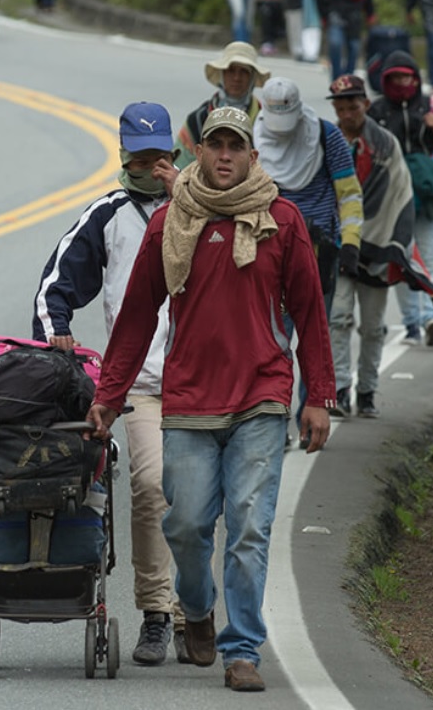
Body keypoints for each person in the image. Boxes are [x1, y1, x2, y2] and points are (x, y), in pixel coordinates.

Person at [85, 105, 334, 693]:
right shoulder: (172, 220)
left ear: (252, 155)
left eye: (235, 146)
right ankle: (195, 610)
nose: (224, 155)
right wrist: (109, 394)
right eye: (214, 145)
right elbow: (138, 313)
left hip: (262, 397)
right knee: (188, 524)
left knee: (249, 525)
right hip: (191, 400)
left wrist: (317, 394)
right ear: (198, 153)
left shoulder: (283, 219)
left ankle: (241, 648)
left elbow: (310, 311)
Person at [32, 102, 184, 666]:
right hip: (142, 385)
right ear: (123, 155)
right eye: (141, 157)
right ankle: (156, 612)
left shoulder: (201, 204)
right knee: (150, 487)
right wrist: (58, 335)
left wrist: (182, 194)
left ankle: (198, 605)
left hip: (208, 382)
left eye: (161, 155)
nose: (152, 165)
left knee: (203, 499)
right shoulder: (108, 214)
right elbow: (55, 288)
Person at [323, 75, 433, 418]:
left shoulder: (385, 145)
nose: (348, 113)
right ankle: (339, 389)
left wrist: (396, 241)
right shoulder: (326, 141)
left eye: (354, 105)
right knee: (338, 317)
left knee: (373, 325)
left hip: (378, 245)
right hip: (338, 243)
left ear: (365, 104)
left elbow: (401, 193)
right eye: (341, 107)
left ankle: (367, 391)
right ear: (334, 108)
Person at [252, 77, 362, 445]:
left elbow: (348, 193)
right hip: (268, 252)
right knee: (272, 340)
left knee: (315, 338)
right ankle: (272, 421)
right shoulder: (252, 139)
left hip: (319, 251)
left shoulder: (326, 137)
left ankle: (308, 418)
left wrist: (351, 242)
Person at [366, 50, 433, 347]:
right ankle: (412, 323)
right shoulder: (377, 111)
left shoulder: (430, 105)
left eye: (406, 76)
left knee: (429, 256)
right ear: (385, 79)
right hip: (391, 198)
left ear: (415, 78)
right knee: (400, 258)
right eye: (394, 77)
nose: (401, 82)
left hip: (428, 194)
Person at [174, 42, 271, 170]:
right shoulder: (198, 120)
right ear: (221, 75)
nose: (237, 78)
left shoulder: (265, 120)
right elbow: (179, 167)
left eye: (244, 72)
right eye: (231, 70)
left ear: (252, 78)